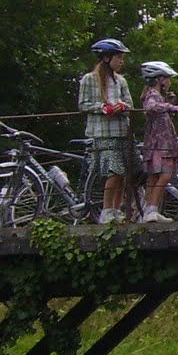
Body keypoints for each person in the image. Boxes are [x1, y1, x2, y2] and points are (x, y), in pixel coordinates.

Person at [78, 38, 135, 224]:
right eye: (118, 57)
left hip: (121, 131)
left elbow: (130, 103)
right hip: (102, 132)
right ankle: (106, 209)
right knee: (113, 171)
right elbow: (83, 104)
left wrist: (122, 106)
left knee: (122, 174)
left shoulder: (121, 81)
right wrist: (103, 108)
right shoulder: (89, 79)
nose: (121, 61)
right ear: (107, 58)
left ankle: (116, 210)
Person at [139, 61, 178, 224]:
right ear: (160, 79)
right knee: (164, 175)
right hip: (159, 143)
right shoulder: (152, 95)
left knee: (154, 177)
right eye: (168, 79)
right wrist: (171, 107)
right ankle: (151, 209)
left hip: (159, 142)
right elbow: (151, 107)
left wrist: (168, 103)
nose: (170, 82)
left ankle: (150, 209)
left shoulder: (158, 95)